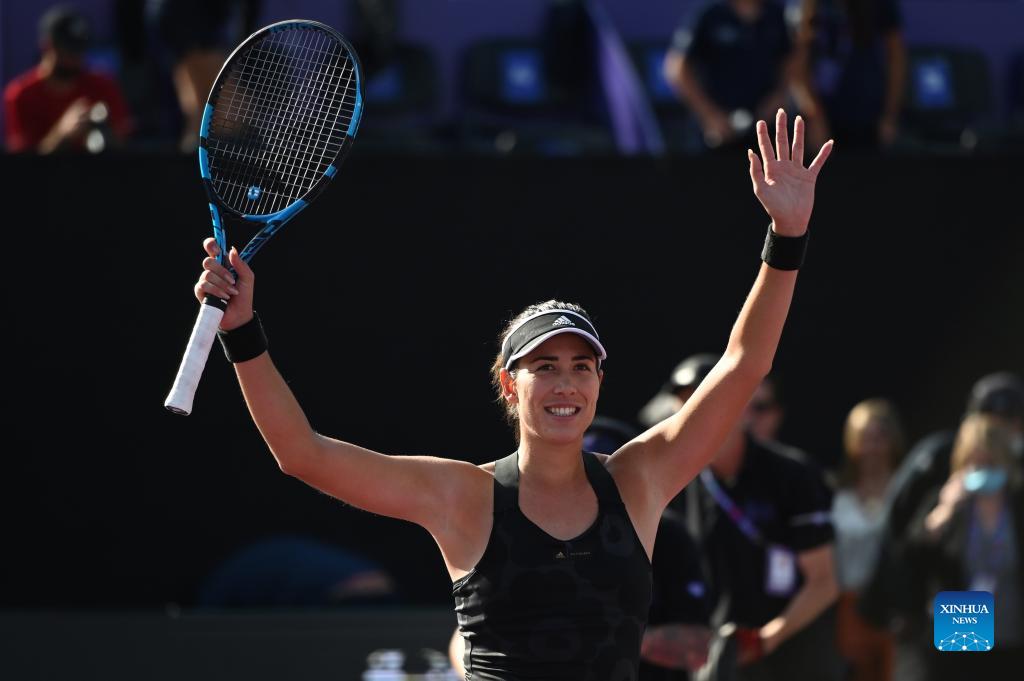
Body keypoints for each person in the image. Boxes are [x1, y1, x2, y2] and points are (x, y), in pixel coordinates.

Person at [191, 109, 832, 680]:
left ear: (599, 382)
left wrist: (787, 237)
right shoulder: (462, 497)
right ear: (509, 383)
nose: (565, 383)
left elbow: (744, 366)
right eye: (544, 366)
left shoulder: (639, 480)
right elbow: (301, 453)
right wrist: (243, 333)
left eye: (581, 367)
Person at [663, 358, 842, 681]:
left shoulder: (793, 474)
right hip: (719, 661)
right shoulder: (675, 480)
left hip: (793, 658)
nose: (692, 415)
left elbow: (824, 582)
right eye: (684, 404)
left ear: (741, 406)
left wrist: (763, 641)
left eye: (703, 401)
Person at [857, 372, 1024, 681]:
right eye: (977, 459)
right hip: (959, 621)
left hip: (1012, 634)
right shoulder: (937, 470)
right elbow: (904, 548)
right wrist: (944, 512)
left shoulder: (1017, 498)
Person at [908, 413, 1024, 678]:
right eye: (975, 462)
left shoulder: (1018, 504)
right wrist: (943, 511)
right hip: (961, 626)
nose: (982, 469)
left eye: (990, 461)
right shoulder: (949, 502)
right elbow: (912, 558)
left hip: (1012, 628)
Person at [831, 398, 904, 681]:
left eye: (880, 437)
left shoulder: (907, 490)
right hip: (850, 608)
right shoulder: (836, 494)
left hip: (896, 609)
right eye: (865, 438)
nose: (873, 447)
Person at [663, 0, 795, 151]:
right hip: (715, 138)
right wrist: (709, 115)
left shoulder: (776, 15)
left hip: (766, 134)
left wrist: (778, 97)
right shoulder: (709, 14)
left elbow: (791, 64)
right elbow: (677, 69)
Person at [4, 5, 133, 153]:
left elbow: (125, 147)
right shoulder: (21, 94)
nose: (75, 58)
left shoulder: (103, 86)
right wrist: (62, 132)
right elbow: (20, 166)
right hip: (48, 175)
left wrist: (104, 130)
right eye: (68, 50)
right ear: (47, 47)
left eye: (80, 50)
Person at [791, 0, 906, 149]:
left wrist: (890, 115)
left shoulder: (880, 5)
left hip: (868, 120)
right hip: (824, 120)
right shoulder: (811, 5)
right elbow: (798, 64)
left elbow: (896, 57)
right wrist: (814, 115)